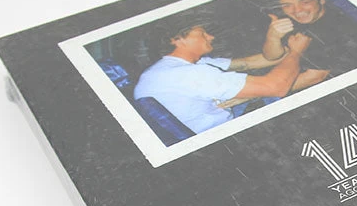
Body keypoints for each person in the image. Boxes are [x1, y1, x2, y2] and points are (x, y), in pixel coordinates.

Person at [133, 23, 327, 134]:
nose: (210, 37)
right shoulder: (187, 74)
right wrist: (296, 52)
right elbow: (277, 87)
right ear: (177, 40)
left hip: (212, 122)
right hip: (226, 135)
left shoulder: (176, 67)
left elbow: (248, 63)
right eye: (202, 33)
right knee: (314, 79)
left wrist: (274, 38)